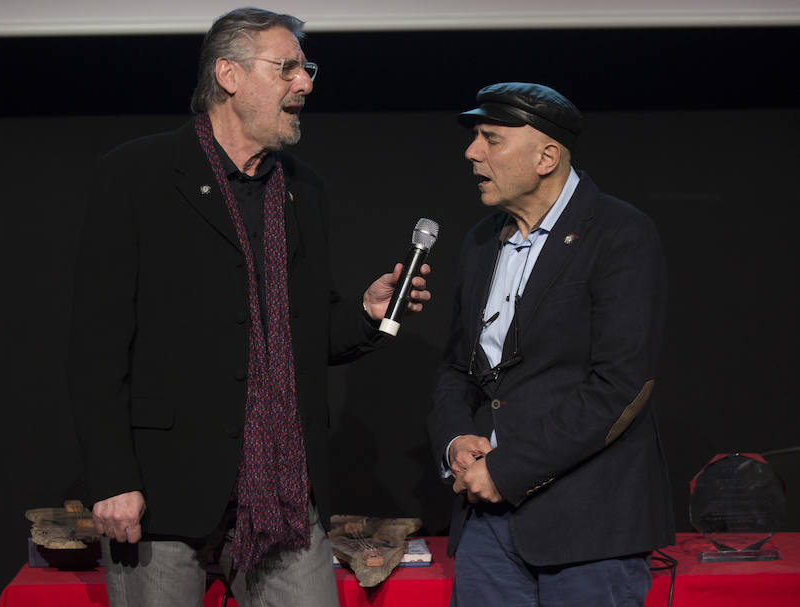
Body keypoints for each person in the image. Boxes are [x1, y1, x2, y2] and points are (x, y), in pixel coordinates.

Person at [67, 7, 430, 606]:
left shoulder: (302, 187)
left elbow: (308, 333)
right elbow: (95, 346)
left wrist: (367, 312)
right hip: (163, 491)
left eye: (306, 68)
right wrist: (112, 478)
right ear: (229, 76)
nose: (306, 83)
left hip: (284, 491)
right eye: (287, 67)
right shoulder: (137, 174)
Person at [427, 82, 674, 606]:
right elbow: (457, 367)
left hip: (590, 530)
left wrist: (507, 468)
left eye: (491, 139)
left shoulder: (620, 233)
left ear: (546, 156)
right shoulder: (479, 241)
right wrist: (455, 440)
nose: (472, 153)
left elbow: (621, 386)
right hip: (488, 527)